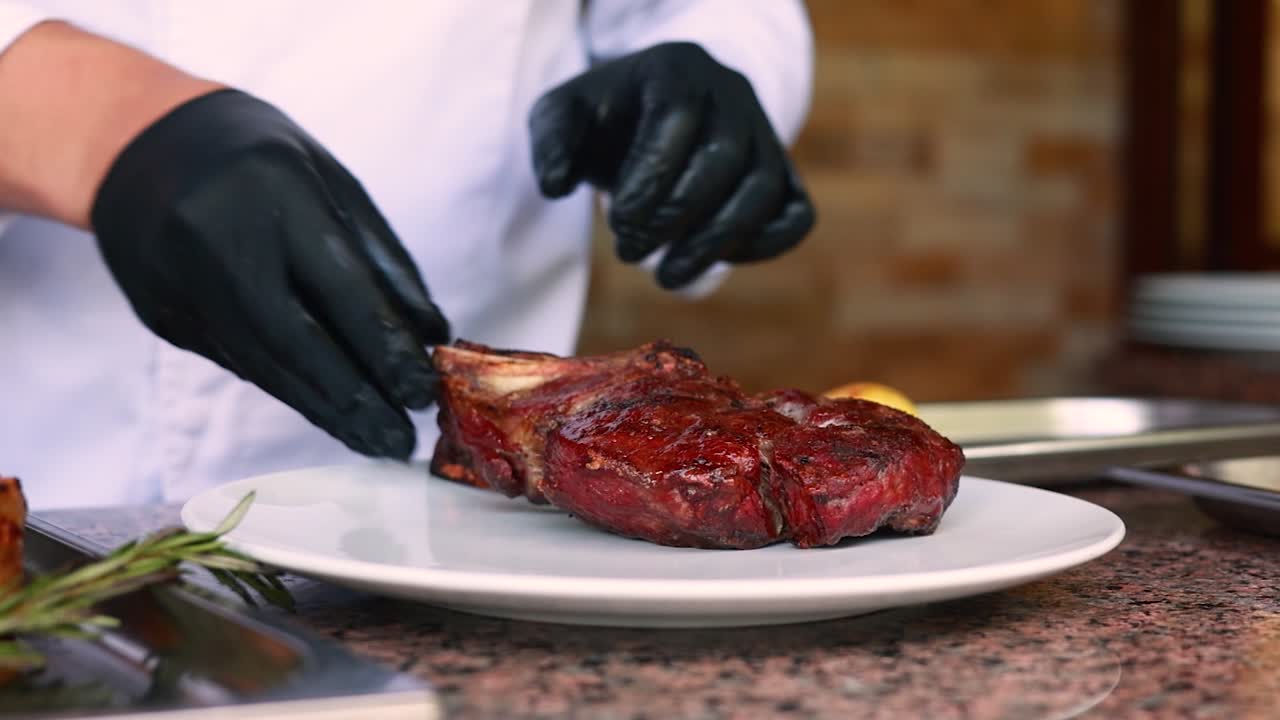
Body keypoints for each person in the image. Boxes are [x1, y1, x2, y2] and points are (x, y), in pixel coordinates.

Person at [0, 1, 816, 510]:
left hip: (467, 516)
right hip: (53, 470)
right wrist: (96, 121)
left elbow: (709, 11)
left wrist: (711, 71)